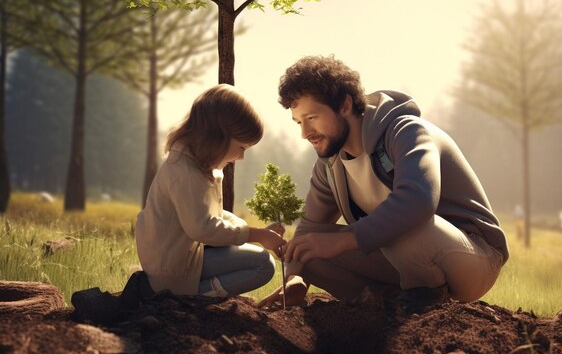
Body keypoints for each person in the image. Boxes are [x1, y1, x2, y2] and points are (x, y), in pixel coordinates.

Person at [259, 55, 509, 309]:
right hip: (405, 260)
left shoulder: (406, 131)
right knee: (308, 249)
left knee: (406, 224)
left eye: (312, 117)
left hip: (473, 260)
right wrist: (296, 277)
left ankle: (427, 298)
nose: (304, 133)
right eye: (299, 122)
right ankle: (392, 303)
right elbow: (310, 231)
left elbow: (418, 202)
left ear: (344, 105)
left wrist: (344, 239)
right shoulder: (329, 164)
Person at [134, 84, 285, 300]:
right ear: (217, 138)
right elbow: (202, 228)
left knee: (261, 261)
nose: (241, 158)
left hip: (184, 258)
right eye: (241, 147)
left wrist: (256, 232)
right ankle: (190, 297)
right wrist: (256, 235)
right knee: (263, 265)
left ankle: (203, 292)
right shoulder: (185, 174)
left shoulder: (198, 167)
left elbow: (212, 215)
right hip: (172, 269)